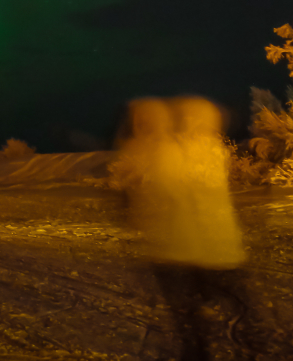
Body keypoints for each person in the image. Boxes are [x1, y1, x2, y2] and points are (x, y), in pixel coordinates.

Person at [117, 96, 277, 360]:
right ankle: (255, 346)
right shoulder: (208, 149)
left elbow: (169, 194)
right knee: (231, 307)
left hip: (183, 250)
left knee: (190, 317)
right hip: (212, 248)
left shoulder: (174, 151)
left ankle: (215, 349)